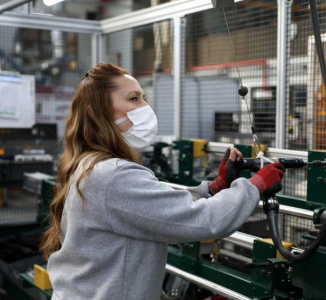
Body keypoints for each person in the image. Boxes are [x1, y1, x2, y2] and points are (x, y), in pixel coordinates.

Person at [41, 62, 285, 300]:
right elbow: (204, 220)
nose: (145, 106)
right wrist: (255, 185)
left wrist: (215, 188)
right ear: (97, 112)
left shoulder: (89, 165)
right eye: (134, 99)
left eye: (144, 98)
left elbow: (156, 208)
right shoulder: (113, 175)